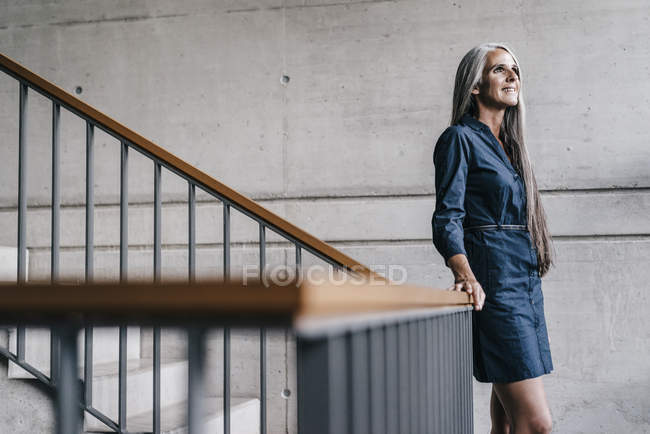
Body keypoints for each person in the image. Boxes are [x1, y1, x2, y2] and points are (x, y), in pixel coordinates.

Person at [431, 43, 554, 434]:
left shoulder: (512, 147)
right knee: (536, 425)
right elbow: (447, 218)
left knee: (504, 422)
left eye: (514, 69)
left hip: (525, 280)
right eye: (500, 69)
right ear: (474, 85)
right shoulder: (459, 139)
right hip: (495, 282)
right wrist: (464, 273)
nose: (512, 76)